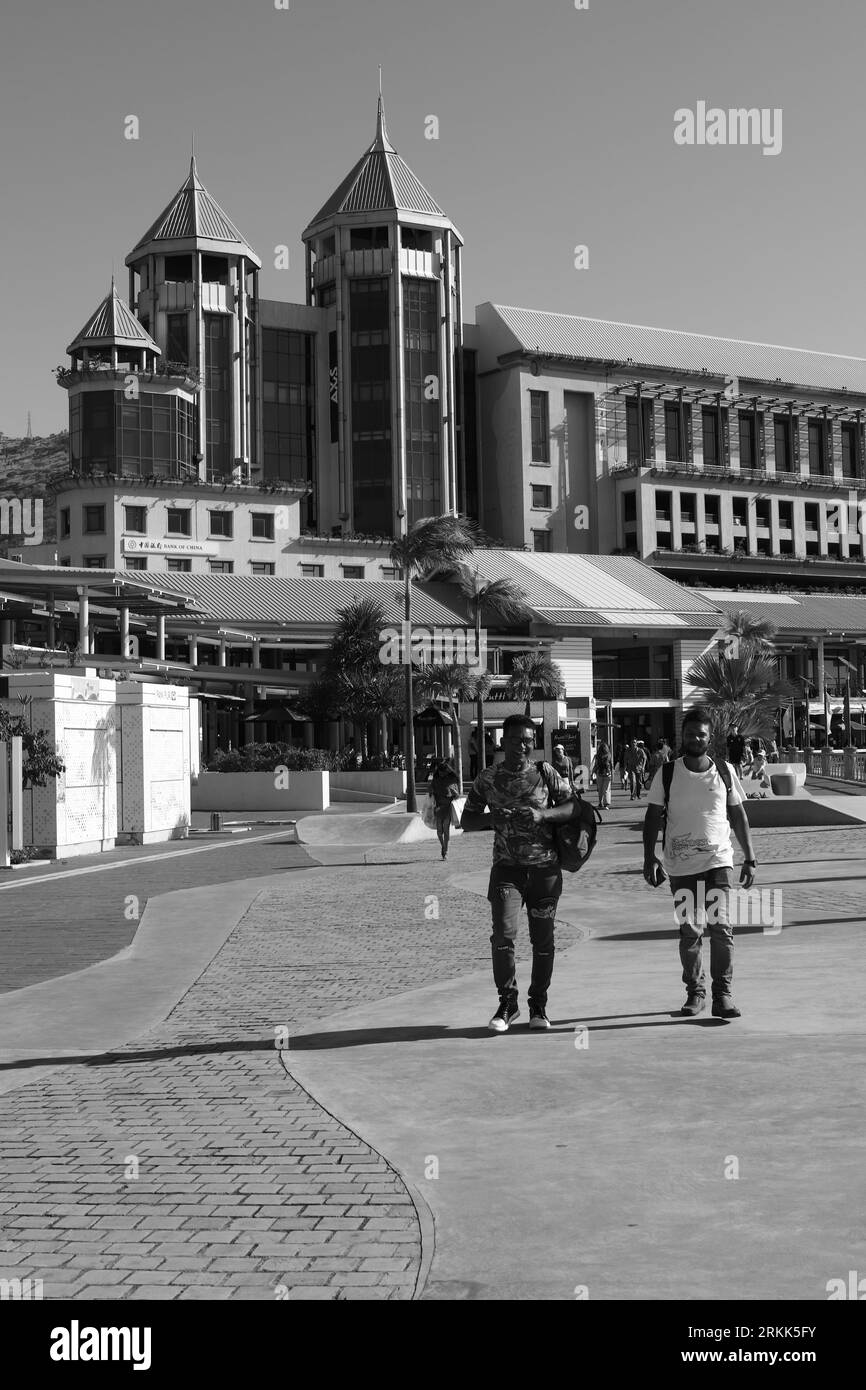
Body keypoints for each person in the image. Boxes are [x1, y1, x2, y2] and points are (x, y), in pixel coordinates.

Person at [460, 713, 575, 1032]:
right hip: (507, 871)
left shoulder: (545, 772)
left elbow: (571, 807)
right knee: (503, 936)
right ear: (503, 742)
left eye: (527, 740)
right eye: (515, 740)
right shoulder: (488, 778)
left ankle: (538, 1004)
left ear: (533, 742)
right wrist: (495, 819)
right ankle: (508, 1003)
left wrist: (543, 814)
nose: (522, 746)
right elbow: (467, 821)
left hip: (545, 871)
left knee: (543, 940)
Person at [642, 705, 756, 1019]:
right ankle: (696, 993)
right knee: (690, 932)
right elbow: (652, 817)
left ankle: (723, 995)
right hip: (680, 867)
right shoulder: (667, 772)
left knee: (721, 929)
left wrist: (750, 858)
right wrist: (649, 857)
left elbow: (738, 815)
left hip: (718, 861)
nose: (695, 738)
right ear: (683, 736)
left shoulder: (724, 771)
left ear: (710, 737)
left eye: (701, 734)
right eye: (690, 733)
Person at [430, 758, 461, 859]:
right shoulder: (436, 780)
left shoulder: (451, 780)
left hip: (447, 807)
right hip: (438, 807)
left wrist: (455, 793)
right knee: (439, 831)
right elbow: (431, 791)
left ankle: (446, 851)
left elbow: (457, 796)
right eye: (439, 772)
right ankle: (443, 847)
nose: (441, 774)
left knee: (446, 830)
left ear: (446, 771)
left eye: (442, 772)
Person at [591, 740, 613, 809]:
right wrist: (612, 774)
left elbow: (595, 765)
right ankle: (606, 803)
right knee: (606, 789)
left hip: (599, 773)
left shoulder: (597, 756)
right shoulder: (609, 755)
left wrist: (592, 773)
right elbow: (611, 765)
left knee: (600, 789)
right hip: (607, 774)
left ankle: (600, 803)